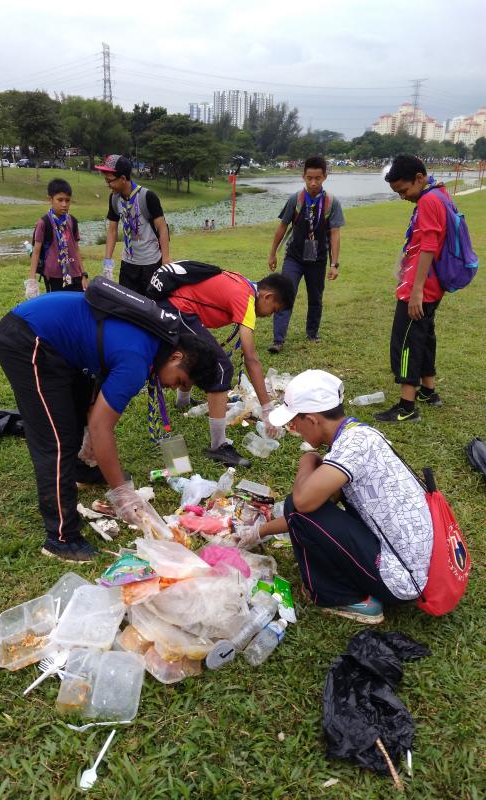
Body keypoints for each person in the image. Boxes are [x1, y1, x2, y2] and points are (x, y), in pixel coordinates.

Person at [0, 291, 217, 563]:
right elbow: (102, 427)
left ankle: (83, 471)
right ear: (176, 357)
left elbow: (100, 403)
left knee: (75, 417)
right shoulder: (137, 358)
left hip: (62, 346)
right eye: (180, 380)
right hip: (29, 338)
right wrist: (122, 494)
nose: (174, 388)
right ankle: (61, 538)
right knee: (57, 441)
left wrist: (91, 434)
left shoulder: (154, 346)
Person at [236, 370, 434, 624]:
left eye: (294, 423)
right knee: (301, 507)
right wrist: (259, 531)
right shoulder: (358, 433)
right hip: (410, 565)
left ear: (312, 419)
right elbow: (316, 513)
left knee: (295, 504)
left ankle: (343, 597)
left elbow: (302, 505)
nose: (293, 429)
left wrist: (307, 460)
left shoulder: (350, 450)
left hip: (401, 579)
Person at [160, 269, 295, 467]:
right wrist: (267, 410)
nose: (269, 315)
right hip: (178, 309)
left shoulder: (245, 285)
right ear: (268, 296)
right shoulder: (247, 298)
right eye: (273, 310)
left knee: (198, 352)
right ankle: (218, 446)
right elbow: (251, 358)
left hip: (177, 307)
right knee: (220, 367)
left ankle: (183, 401)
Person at [374, 154, 448, 423]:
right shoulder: (439, 193)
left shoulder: (428, 201)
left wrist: (416, 291)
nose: (403, 196)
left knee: (405, 341)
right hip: (432, 283)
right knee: (425, 336)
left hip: (420, 286)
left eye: (404, 190)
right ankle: (429, 391)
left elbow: (429, 245)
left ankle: (407, 406)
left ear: (419, 178)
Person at [267, 156, 345, 350]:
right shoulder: (296, 199)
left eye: (317, 178)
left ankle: (312, 334)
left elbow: (335, 234)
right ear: (303, 177)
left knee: (315, 297)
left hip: (318, 259)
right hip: (294, 257)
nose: (313, 183)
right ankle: (278, 340)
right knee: (285, 294)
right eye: (309, 178)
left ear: (325, 177)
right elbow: (282, 227)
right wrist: (272, 253)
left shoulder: (331, 202)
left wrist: (334, 264)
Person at [96, 154, 170, 295]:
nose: (108, 185)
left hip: (151, 262)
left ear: (123, 179)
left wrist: (166, 258)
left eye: (109, 181)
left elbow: (162, 227)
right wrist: (107, 261)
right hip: (128, 263)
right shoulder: (114, 198)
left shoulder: (148, 197)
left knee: (151, 304)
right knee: (128, 305)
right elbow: (112, 230)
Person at [24, 179, 87, 299]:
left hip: (75, 274)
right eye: (60, 200)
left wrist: (83, 274)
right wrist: (32, 281)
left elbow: (76, 249)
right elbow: (36, 251)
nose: (64, 204)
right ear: (50, 199)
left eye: (67, 200)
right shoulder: (44, 223)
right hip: (54, 276)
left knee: (76, 305)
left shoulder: (72, 221)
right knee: (58, 307)